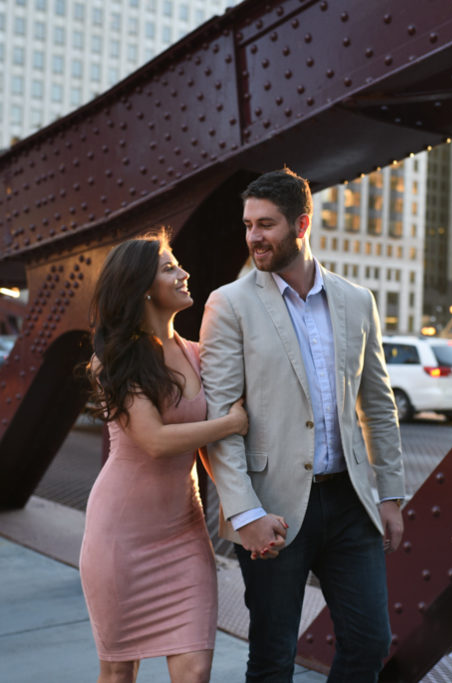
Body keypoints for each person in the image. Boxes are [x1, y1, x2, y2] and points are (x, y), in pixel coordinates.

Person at [199, 168, 406, 682]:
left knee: (369, 642)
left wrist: (391, 494)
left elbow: (377, 403)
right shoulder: (230, 303)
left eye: (266, 224)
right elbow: (221, 419)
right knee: (272, 656)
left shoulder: (358, 301)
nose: (253, 237)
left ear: (302, 223)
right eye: (248, 225)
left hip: (351, 504)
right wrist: (243, 512)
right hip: (273, 507)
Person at [79, 230, 252, 683]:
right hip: (121, 537)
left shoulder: (198, 355)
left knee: (195, 672)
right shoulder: (113, 360)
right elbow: (153, 440)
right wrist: (230, 424)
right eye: (169, 267)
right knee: (118, 673)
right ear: (141, 286)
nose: (184, 273)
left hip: (182, 532)